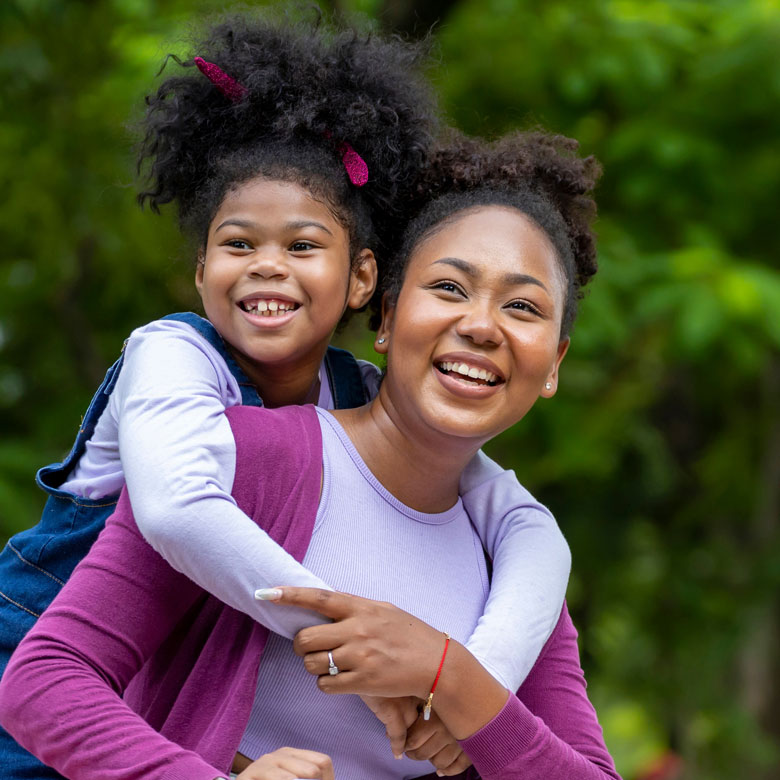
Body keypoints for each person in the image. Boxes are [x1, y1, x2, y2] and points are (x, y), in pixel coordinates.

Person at [0, 13, 571, 778]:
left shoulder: (361, 396)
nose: (269, 266)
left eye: (302, 246)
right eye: (240, 245)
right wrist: (345, 634)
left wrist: (468, 678)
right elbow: (177, 509)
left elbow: (517, 522)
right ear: (201, 271)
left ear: (361, 280)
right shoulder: (173, 358)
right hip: (44, 655)